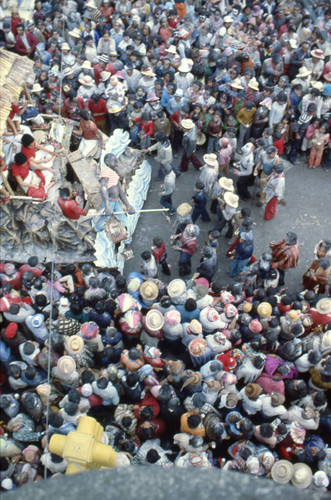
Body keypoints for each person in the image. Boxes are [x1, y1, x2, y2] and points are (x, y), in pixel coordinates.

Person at [97, 153, 135, 232]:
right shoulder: (106, 171)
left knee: (125, 222)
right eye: (114, 160)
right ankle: (96, 231)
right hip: (110, 202)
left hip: (116, 202)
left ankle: (127, 240)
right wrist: (107, 206)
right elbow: (103, 188)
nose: (116, 162)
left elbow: (121, 191)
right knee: (103, 223)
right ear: (107, 161)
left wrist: (128, 205)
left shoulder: (114, 173)